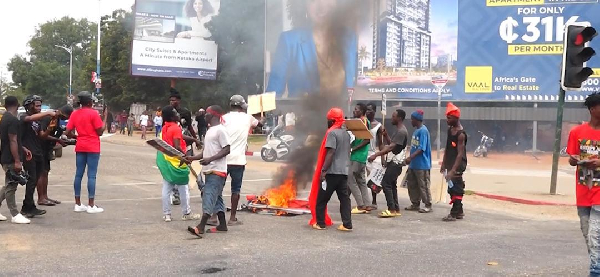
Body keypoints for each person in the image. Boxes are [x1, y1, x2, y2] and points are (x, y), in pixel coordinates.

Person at [266, 0, 357, 98]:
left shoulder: (349, 38)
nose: (321, 7)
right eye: (313, 0)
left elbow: (350, 86)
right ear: (303, 5)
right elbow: (272, 94)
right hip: (302, 112)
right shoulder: (289, 41)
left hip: (341, 112)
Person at [567, 92, 600, 276]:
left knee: (595, 236)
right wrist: (578, 160)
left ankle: (595, 272)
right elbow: (571, 159)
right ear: (593, 109)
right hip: (583, 191)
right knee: (589, 237)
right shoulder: (577, 132)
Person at [186, 105, 231, 238]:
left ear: (213, 115)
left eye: (206, 114)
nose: (204, 116)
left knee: (208, 195)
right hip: (210, 170)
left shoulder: (221, 130)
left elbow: (227, 149)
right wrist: (192, 158)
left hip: (217, 171)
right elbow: (205, 152)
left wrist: (210, 159)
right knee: (217, 198)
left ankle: (200, 227)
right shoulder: (210, 131)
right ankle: (222, 225)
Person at [219, 95, 261, 225]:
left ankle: (216, 215)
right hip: (238, 160)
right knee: (235, 190)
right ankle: (232, 218)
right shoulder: (248, 117)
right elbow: (260, 124)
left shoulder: (223, 118)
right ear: (242, 106)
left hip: (223, 158)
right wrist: (260, 115)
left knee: (218, 188)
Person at [156, 106, 201, 222]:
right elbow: (176, 145)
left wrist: (193, 139)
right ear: (172, 116)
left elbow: (179, 136)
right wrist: (186, 157)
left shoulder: (165, 127)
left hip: (166, 161)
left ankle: (167, 215)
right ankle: (186, 213)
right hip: (177, 163)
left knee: (166, 188)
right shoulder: (175, 127)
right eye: (175, 113)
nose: (178, 114)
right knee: (183, 188)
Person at [65, 91, 108, 214]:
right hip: (93, 146)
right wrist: (105, 117)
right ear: (90, 102)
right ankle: (91, 205)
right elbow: (100, 131)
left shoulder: (74, 114)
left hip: (80, 145)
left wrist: (77, 137)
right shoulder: (94, 114)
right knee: (92, 175)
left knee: (78, 174)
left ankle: (78, 203)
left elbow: (67, 131)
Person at [311, 107, 352, 231]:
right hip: (343, 172)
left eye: (328, 120)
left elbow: (330, 153)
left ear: (332, 120)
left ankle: (320, 223)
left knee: (321, 199)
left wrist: (323, 171)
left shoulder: (332, 133)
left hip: (332, 172)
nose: (327, 122)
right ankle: (347, 224)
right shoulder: (346, 134)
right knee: (344, 199)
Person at [20, 95, 56, 218]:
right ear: (30, 106)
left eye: (41, 105)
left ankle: (29, 206)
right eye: (37, 105)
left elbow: (41, 135)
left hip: (38, 152)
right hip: (29, 153)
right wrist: (47, 113)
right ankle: (27, 208)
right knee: (31, 180)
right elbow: (29, 118)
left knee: (35, 180)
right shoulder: (24, 117)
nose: (40, 108)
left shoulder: (37, 121)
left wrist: (49, 129)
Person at [368, 109, 408, 218]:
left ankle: (391, 209)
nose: (392, 118)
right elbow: (393, 144)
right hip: (394, 162)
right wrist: (386, 136)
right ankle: (396, 209)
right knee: (392, 185)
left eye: (394, 116)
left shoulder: (401, 132)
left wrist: (376, 155)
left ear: (399, 118)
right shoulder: (399, 130)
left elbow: (391, 147)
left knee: (386, 184)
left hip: (395, 163)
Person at [0, 96, 31, 224]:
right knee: (12, 186)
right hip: (11, 158)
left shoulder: (4, 119)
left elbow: (10, 139)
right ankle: (15, 214)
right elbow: (12, 140)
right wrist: (17, 161)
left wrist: (22, 148)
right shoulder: (13, 120)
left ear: (5, 105)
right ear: (18, 105)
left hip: (5, 156)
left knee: (8, 185)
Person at [37, 105, 74, 206]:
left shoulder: (56, 119)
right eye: (65, 117)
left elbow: (58, 132)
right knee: (41, 173)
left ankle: (45, 196)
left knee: (45, 172)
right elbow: (43, 135)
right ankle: (41, 198)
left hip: (47, 148)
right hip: (40, 148)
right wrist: (57, 140)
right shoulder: (48, 118)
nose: (65, 119)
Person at [169, 88, 198, 205]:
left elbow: (190, 127)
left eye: (174, 100)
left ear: (179, 101)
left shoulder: (185, 112)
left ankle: (203, 189)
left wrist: (196, 139)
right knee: (177, 169)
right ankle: (176, 194)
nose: (172, 102)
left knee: (192, 167)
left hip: (186, 143)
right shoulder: (168, 112)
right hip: (174, 145)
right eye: (170, 100)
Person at [440, 103, 467, 222]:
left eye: (449, 118)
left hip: (458, 165)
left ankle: (454, 213)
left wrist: (453, 170)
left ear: (456, 118)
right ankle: (460, 211)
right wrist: (444, 164)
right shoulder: (450, 130)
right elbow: (447, 148)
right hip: (450, 164)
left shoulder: (461, 135)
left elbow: (460, 154)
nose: (447, 120)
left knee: (456, 188)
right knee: (451, 187)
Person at [404, 110, 433, 213]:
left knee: (423, 185)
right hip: (413, 164)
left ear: (416, 120)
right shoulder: (416, 130)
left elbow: (421, 148)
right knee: (412, 184)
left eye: (412, 119)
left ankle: (428, 204)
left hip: (422, 164)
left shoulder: (423, 131)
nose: (411, 121)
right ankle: (415, 203)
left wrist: (410, 158)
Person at [348, 103, 371, 214]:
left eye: (356, 110)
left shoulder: (362, 122)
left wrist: (353, 149)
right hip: (362, 156)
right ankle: (367, 205)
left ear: (361, 111)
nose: (354, 111)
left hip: (357, 156)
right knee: (361, 181)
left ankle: (360, 205)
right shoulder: (364, 121)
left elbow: (367, 140)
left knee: (350, 179)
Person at [366, 102, 383, 209]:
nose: (368, 112)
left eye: (370, 110)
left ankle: (374, 201)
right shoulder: (362, 123)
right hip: (360, 153)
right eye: (366, 110)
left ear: (374, 111)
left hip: (372, 154)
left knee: (373, 179)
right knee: (354, 178)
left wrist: (382, 158)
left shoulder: (378, 126)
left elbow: (381, 144)